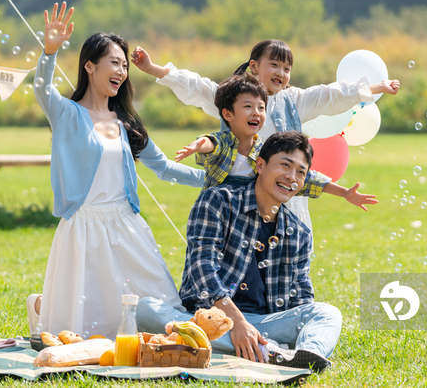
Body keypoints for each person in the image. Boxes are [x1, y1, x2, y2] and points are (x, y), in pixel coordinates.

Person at [27, 2, 205, 340]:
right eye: (114, 63)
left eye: (125, 65)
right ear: (90, 66)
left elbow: (165, 168)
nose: (121, 71)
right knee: (87, 328)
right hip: (83, 225)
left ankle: (42, 306)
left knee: (161, 307)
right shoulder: (67, 114)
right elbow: (42, 89)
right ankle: (41, 308)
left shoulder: (126, 123)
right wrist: (49, 52)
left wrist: (217, 179)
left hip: (126, 224)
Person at [131, 40, 399, 230]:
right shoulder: (233, 96)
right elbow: (197, 87)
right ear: (254, 66)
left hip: (283, 196)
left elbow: (330, 94)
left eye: (286, 68)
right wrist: (154, 69)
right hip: (239, 197)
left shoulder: (294, 100)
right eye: (274, 65)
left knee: (287, 251)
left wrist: (376, 87)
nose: (281, 73)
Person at [137, 131, 346, 372]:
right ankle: (270, 351)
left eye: (301, 172)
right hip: (211, 318)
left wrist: (301, 323)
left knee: (327, 313)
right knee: (146, 309)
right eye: (285, 166)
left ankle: (307, 357)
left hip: (264, 323)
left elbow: (301, 297)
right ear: (260, 164)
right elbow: (201, 266)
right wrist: (236, 322)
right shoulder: (218, 201)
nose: (292, 177)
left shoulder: (298, 232)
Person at [177, 73, 377, 210]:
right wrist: (198, 144)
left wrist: (344, 193)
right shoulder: (225, 145)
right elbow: (212, 144)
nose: (256, 112)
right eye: (248, 106)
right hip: (218, 217)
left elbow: (306, 179)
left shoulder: (264, 155)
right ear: (227, 114)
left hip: (250, 224)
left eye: (261, 108)